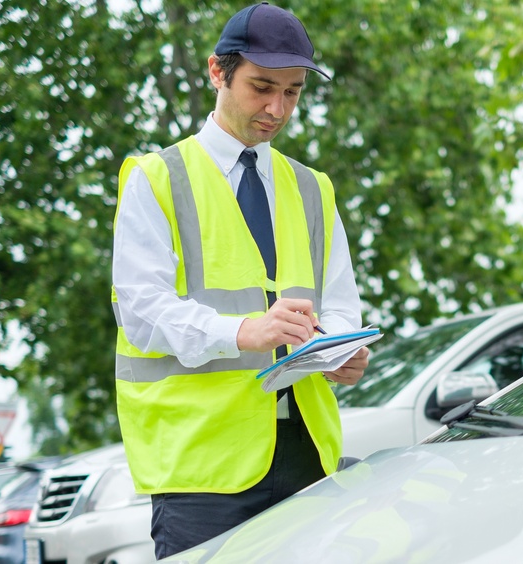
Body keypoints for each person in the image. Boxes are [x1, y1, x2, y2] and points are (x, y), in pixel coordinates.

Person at [110, 2, 369, 558]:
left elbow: (341, 303)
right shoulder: (155, 180)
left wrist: (340, 349)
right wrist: (241, 331)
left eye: (293, 92)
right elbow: (143, 312)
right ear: (217, 72)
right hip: (202, 468)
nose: (277, 108)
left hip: (306, 453)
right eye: (262, 87)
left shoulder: (312, 188)